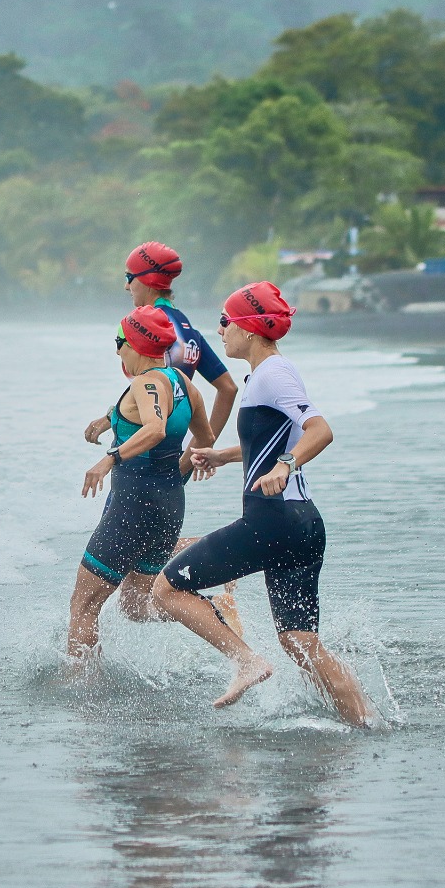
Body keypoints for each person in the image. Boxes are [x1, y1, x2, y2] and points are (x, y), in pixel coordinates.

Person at [151, 281, 377, 726]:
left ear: (250, 329)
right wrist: (224, 454)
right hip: (301, 523)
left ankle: (246, 661)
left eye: (225, 321)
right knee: (300, 643)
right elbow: (271, 442)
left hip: (274, 521)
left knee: (167, 589)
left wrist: (285, 466)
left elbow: (320, 431)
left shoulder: (275, 372)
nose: (219, 331)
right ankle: (367, 723)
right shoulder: (264, 377)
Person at [85, 242, 245, 634]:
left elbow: (154, 393)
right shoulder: (185, 327)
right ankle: (200, 566)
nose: (127, 288)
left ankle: (202, 555)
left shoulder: (149, 323)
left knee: (97, 590)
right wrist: (198, 451)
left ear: (146, 279)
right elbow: (224, 389)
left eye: (129, 278)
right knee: (135, 601)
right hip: (170, 461)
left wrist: (189, 453)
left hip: (145, 462)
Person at [68, 306, 216, 659]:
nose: (116, 349)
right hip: (168, 505)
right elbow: (205, 438)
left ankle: (80, 689)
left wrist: (110, 458)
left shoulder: (145, 382)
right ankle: (214, 608)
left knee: (83, 605)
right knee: (136, 605)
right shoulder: (184, 384)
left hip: (132, 507)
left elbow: (154, 427)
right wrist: (109, 419)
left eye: (119, 341)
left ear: (136, 344)